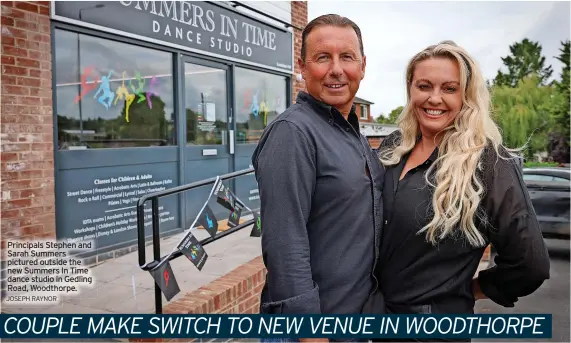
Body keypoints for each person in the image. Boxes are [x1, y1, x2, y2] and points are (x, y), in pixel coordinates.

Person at [375, 41, 550, 341]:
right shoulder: (394, 146)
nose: (434, 98)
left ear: (466, 95)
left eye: (449, 88)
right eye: (424, 86)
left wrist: (475, 288)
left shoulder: (489, 162)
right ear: (410, 89)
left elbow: (530, 263)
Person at [252, 13, 385, 342]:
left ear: (363, 66)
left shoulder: (351, 132)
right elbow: (285, 244)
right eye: (323, 57)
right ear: (302, 66)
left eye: (347, 57)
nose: (337, 69)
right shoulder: (293, 133)